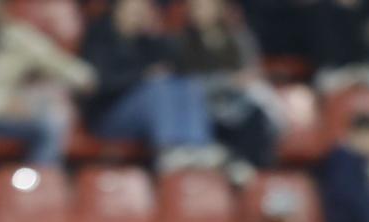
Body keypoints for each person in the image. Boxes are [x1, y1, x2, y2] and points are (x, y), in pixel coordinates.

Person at [0, 0, 94, 170]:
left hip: (11, 114)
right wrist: (2, 103)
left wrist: (84, 77)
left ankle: (37, 184)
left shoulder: (18, 35)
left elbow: (54, 60)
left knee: (51, 125)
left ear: (6, 9)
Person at [81, 0, 215, 167]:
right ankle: (169, 150)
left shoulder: (146, 40)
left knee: (186, 84)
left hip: (142, 115)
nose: (138, 13)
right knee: (157, 88)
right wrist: (142, 76)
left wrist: (155, 31)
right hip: (108, 116)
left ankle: (197, 147)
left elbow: (179, 63)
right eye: (133, 8)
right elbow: (99, 83)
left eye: (142, 8)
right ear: (117, 9)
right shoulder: (98, 36)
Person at [174, 0, 279, 171]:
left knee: (256, 112)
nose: (200, 12)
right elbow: (189, 83)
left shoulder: (238, 37)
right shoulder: (184, 42)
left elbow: (251, 69)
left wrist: (243, 80)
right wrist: (227, 81)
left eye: (206, 6)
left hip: (238, 101)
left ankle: (249, 167)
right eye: (197, 7)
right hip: (204, 105)